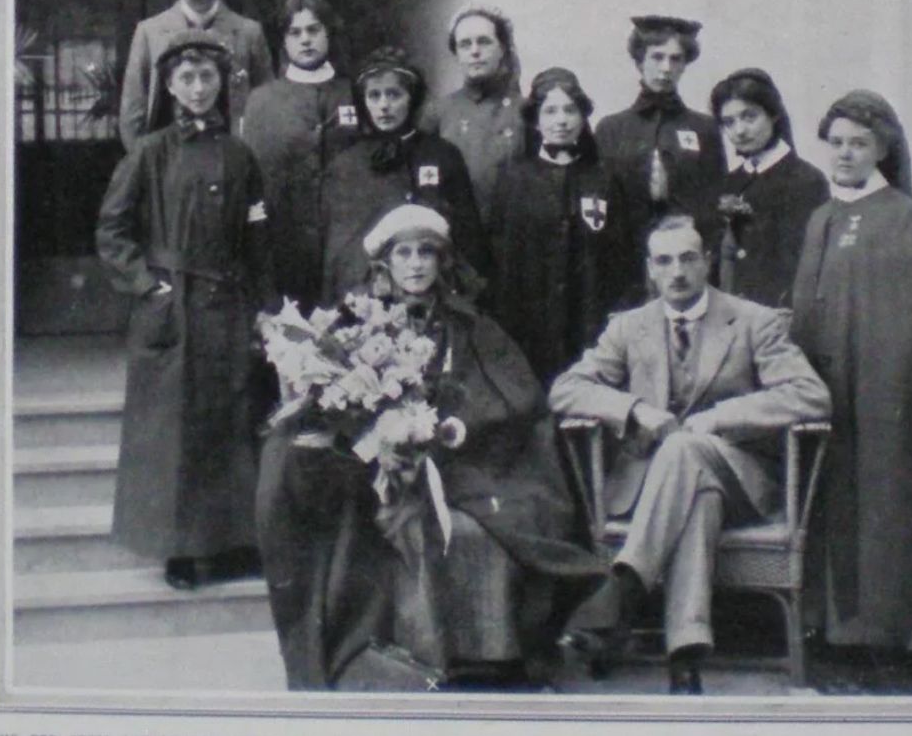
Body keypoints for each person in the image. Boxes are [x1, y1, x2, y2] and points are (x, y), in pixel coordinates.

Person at [256, 204, 606, 690]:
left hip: (469, 464)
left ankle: (484, 656)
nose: (416, 264)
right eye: (405, 253)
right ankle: (400, 653)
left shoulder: (471, 327)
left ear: (443, 263)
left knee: (483, 524)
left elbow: (516, 400)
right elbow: (330, 402)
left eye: (426, 253)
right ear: (385, 265)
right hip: (381, 466)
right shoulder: (357, 326)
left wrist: (457, 428)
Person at [549, 214, 831, 694]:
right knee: (698, 499)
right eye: (664, 261)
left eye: (687, 258)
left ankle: (624, 588)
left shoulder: (753, 322)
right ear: (650, 271)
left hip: (740, 476)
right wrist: (634, 409)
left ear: (706, 264)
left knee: (685, 446)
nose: (676, 271)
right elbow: (565, 390)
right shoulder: (629, 328)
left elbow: (811, 395)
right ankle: (685, 656)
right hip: (662, 487)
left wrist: (720, 418)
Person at [790, 90, 912, 654]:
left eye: (859, 144)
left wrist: (886, 391)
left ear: (881, 150)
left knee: (890, 494)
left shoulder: (900, 217)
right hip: (829, 389)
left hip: (885, 393)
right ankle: (837, 619)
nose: (845, 154)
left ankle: (902, 621)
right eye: (837, 143)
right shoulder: (823, 217)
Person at [96, 29, 277, 590]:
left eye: (207, 77)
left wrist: (265, 308)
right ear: (171, 87)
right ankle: (180, 551)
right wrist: (149, 285)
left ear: (221, 83)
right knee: (177, 434)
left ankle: (234, 544)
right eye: (187, 78)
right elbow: (113, 230)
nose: (198, 88)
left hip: (230, 306)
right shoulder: (150, 153)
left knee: (232, 425)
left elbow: (258, 239)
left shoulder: (240, 155)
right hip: (174, 309)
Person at [488, 67, 639, 386]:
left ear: (583, 117)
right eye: (551, 110)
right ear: (535, 119)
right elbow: (501, 256)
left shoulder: (605, 178)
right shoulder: (514, 177)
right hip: (532, 323)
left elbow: (624, 256)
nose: (561, 120)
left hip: (589, 320)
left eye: (570, 110)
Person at [320, 46, 491, 302]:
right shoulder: (346, 165)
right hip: (371, 302)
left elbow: (468, 239)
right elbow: (339, 252)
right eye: (374, 96)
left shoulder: (442, 155)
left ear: (412, 98)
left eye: (394, 94)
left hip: (436, 296)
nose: (384, 106)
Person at [242, 0, 360, 313]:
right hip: (287, 250)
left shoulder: (355, 93)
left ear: (329, 33)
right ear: (283, 41)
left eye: (314, 30)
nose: (305, 40)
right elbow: (255, 183)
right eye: (295, 33)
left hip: (347, 245)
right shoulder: (262, 102)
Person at [119, 0, 273, 152]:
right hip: (169, 162)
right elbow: (132, 113)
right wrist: (147, 167)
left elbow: (266, 108)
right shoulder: (150, 32)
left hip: (229, 161)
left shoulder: (249, 33)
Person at [594, 16, 727, 254]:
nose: (666, 68)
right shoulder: (611, 129)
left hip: (685, 256)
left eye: (676, 59)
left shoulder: (704, 128)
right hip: (624, 258)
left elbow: (715, 203)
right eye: (657, 57)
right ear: (640, 60)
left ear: (685, 64)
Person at [707, 68, 828, 308]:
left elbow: (808, 267)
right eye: (729, 122)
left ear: (773, 115)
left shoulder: (805, 181)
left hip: (780, 320)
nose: (739, 130)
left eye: (749, 117)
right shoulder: (730, 182)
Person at [419, 3, 525, 227]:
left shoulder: (526, 111)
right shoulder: (437, 112)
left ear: (503, 48)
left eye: (484, 42)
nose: (475, 51)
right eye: (465, 44)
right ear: (456, 54)